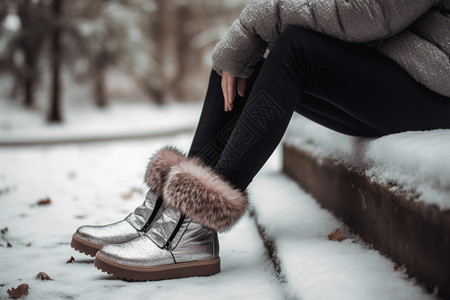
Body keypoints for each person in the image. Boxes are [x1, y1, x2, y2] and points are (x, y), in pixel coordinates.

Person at [71, 0, 450, 281]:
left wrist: (254, 22)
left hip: (436, 88)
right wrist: (250, 36)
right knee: (246, 56)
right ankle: (171, 211)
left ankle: (193, 222)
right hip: (408, 71)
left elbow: (374, 12)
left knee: (291, 47)